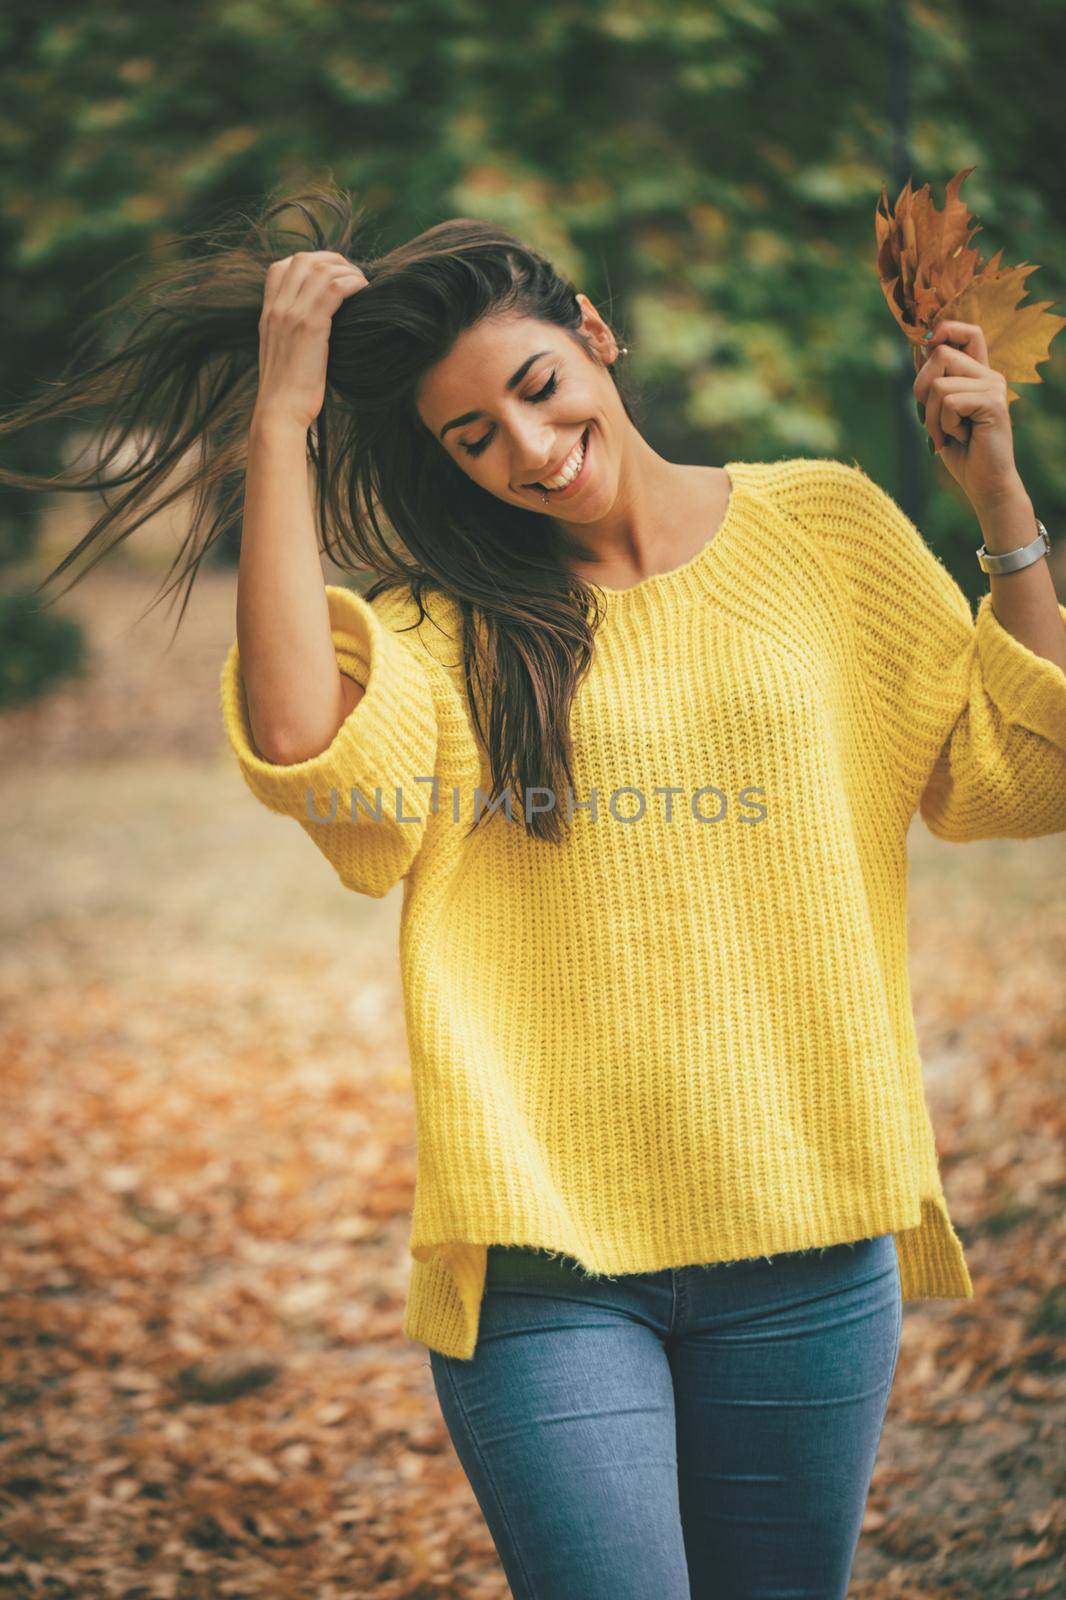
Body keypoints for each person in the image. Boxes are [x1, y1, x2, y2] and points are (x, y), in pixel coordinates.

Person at [7, 180, 1065, 1600]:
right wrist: (276, 426)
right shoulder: (449, 630)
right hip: (543, 1269)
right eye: (472, 435)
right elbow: (312, 760)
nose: (528, 448)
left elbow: (1023, 768)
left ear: (594, 332)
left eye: (537, 386)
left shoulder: (826, 528)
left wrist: (998, 500)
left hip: (806, 1237)